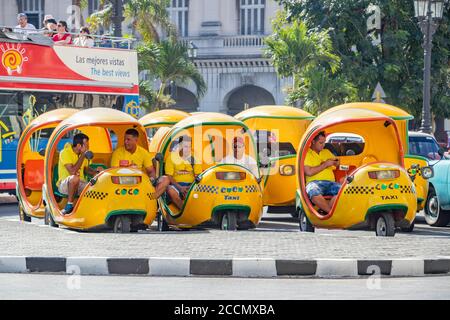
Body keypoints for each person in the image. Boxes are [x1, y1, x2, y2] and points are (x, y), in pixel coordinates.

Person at [110, 128, 169, 198]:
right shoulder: (117, 153)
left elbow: (150, 171)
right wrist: (129, 168)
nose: (125, 142)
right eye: (125, 139)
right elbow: (113, 172)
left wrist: (152, 179)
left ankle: (152, 199)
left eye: (128, 140)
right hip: (122, 184)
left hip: (141, 183)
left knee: (166, 179)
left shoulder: (143, 153)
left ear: (136, 140)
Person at [57, 133, 98, 215]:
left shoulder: (84, 155)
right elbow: (72, 171)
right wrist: (83, 155)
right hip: (66, 185)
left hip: (81, 183)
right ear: (79, 145)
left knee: (96, 187)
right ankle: (69, 205)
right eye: (86, 145)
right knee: (74, 178)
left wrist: (96, 172)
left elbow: (85, 169)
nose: (88, 148)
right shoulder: (65, 152)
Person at [304, 131, 341, 214]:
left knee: (346, 191)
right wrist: (325, 164)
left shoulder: (326, 152)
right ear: (313, 142)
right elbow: (309, 172)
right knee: (313, 191)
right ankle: (330, 212)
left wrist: (336, 162)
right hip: (315, 183)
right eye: (321, 143)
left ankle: (326, 210)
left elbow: (337, 163)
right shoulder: (306, 154)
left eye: (324, 142)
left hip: (331, 183)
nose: (323, 145)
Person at [165, 135, 202, 210]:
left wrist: (190, 187)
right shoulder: (172, 157)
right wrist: (180, 188)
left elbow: (198, 176)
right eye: (185, 146)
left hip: (191, 185)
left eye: (189, 146)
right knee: (169, 189)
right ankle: (184, 210)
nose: (188, 149)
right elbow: (169, 176)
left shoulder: (194, 157)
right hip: (176, 185)